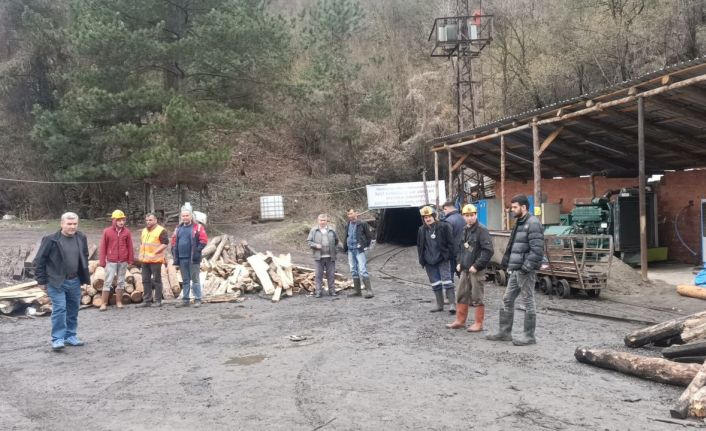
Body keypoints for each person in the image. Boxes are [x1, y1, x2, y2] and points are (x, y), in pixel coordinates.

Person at [486, 194, 544, 346]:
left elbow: (537, 250)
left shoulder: (533, 223)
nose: (512, 210)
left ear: (524, 207)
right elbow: (514, 245)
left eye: (515, 207)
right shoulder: (519, 222)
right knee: (507, 298)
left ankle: (529, 336)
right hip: (517, 269)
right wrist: (507, 262)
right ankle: (504, 332)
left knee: (528, 301)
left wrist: (526, 267)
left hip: (525, 270)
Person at [34, 212, 90, 350]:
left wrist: (84, 277)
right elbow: (40, 260)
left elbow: (84, 255)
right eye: (69, 224)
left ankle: (70, 336)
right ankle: (58, 338)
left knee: (73, 310)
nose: (72, 227)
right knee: (60, 309)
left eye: (75, 224)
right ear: (61, 224)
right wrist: (41, 280)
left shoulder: (81, 237)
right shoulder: (51, 239)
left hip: (75, 280)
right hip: (56, 281)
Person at [447, 204, 493, 331]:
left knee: (477, 296)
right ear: (463, 216)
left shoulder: (482, 230)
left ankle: (478, 323)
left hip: (476, 270)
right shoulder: (465, 229)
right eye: (467, 216)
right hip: (465, 269)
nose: (469, 218)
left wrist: (477, 265)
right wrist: (459, 262)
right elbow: (461, 248)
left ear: (476, 215)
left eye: (471, 215)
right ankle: (460, 321)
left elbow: (488, 251)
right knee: (461, 294)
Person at [416, 206, 456, 314]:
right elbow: (420, 246)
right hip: (429, 260)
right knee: (435, 283)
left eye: (429, 216)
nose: (427, 219)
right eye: (425, 217)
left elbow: (451, 243)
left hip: (442, 258)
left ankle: (452, 304)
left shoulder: (443, 226)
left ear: (434, 216)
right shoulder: (421, 230)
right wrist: (422, 259)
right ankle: (440, 305)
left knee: (447, 281)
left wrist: (449, 256)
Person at [98, 209, 134, 311]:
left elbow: (130, 246)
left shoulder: (127, 232)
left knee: (121, 281)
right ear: (114, 221)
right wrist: (102, 261)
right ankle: (103, 303)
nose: (121, 222)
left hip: (123, 261)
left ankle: (119, 301)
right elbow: (103, 247)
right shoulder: (107, 232)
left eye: (123, 220)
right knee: (108, 281)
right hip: (111, 261)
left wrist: (130, 259)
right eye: (119, 220)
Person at [171, 207, 208, 308]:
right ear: (181, 217)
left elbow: (204, 240)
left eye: (187, 215)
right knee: (185, 280)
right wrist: (174, 252)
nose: (185, 217)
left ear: (191, 216)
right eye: (183, 216)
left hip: (193, 258)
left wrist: (197, 250)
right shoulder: (178, 228)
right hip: (182, 258)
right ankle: (185, 300)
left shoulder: (198, 227)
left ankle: (197, 299)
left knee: (195, 279)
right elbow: (173, 241)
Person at [137, 213, 169, 307]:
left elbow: (165, 243)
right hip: (145, 260)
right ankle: (147, 300)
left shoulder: (161, 230)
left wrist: (155, 252)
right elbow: (142, 243)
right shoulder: (144, 231)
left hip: (155, 260)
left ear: (155, 220)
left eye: (150, 220)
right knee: (145, 280)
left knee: (156, 280)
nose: (148, 222)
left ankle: (158, 300)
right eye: (147, 220)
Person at [342, 208, 374, 298]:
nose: (350, 216)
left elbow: (369, 236)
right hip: (350, 250)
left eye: (351, 213)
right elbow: (347, 236)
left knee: (362, 270)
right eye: (348, 214)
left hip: (359, 250)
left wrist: (364, 245)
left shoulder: (362, 224)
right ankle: (357, 291)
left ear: (356, 213)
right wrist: (346, 247)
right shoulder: (348, 224)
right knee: (353, 270)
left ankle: (369, 291)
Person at [306, 214, 340, 298]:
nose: (322, 222)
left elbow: (336, 241)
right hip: (318, 257)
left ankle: (332, 291)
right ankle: (318, 292)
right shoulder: (314, 230)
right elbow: (309, 242)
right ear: (318, 221)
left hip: (330, 257)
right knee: (318, 275)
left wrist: (335, 251)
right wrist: (315, 245)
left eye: (324, 220)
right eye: (321, 220)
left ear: (326, 221)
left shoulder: (332, 230)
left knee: (331, 274)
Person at [441, 201, 465, 278]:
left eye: (444, 210)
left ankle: (451, 290)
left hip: (453, 253)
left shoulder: (448, 221)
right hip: (464, 250)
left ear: (447, 208)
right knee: (463, 275)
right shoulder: (463, 218)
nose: (443, 212)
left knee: (450, 275)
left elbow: (446, 239)